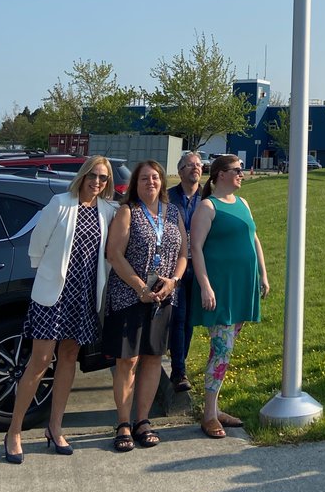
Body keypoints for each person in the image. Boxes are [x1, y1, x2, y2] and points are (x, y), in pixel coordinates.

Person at [2, 156, 117, 463]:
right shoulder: (60, 203)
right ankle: (14, 431)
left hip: (84, 298)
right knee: (39, 362)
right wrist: (50, 276)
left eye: (103, 178)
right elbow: (36, 247)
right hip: (53, 296)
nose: (97, 182)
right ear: (82, 175)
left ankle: (55, 427)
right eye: (92, 175)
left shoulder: (108, 211)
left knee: (68, 358)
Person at [104, 159, 187, 450]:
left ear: (162, 182)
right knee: (127, 361)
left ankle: (143, 421)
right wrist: (140, 287)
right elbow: (114, 254)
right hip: (130, 296)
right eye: (144, 179)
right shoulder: (128, 212)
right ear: (136, 185)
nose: (150, 183)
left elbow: (183, 255)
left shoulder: (173, 213)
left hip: (162, 298)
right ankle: (124, 424)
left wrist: (173, 281)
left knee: (153, 358)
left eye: (155, 178)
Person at [190, 155, 269, 438]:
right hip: (220, 290)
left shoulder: (244, 204)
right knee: (222, 350)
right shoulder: (207, 207)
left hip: (242, 287)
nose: (242, 175)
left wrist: (263, 273)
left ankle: (214, 407)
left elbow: (254, 238)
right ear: (221, 174)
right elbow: (196, 248)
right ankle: (208, 414)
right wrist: (205, 286)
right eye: (237, 170)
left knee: (224, 349)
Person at [168, 151, 204, 392]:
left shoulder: (208, 197)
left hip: (200, 265)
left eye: (199, 165)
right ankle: (179, 371)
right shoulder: (169, 198)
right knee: (178, 318)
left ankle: (181, 364)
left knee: (190, 319)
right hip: (176, 265)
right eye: (190, 165)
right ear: (180, 171)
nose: (195, 168)